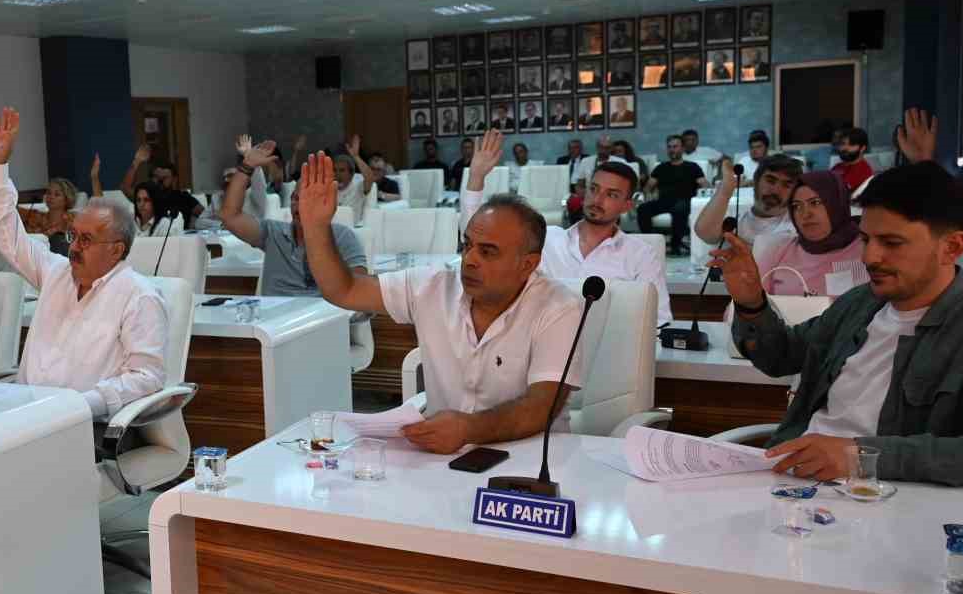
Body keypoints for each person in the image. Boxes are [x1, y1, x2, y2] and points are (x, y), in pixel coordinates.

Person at [713, 162, 963, 486]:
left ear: (952, 247)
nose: (870, 257)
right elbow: (780, 356)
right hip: (792, 487)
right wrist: (751, 302)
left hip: (887, 504)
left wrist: (857, 455)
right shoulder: (860, 304)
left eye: (891, 243)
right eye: (866, 239)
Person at [295, 148, 588, 454]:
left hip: (532, 460)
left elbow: (541, 407)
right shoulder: (433, 285)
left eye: (488, 252)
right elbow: (345, 291)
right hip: (441, 458)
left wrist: (469, 428)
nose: (470, 260)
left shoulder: (558, 308)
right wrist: (316, 227)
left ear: (527, 264)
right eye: (467, 245)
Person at [0, 108, 168, 419]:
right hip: (25, 414)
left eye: (87, 240)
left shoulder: (138, 296)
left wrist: (81, 405)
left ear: (116, 250)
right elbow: (8, 236)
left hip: (83, 424)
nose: (74, 247)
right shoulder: (55, 273)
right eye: (74, 236)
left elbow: (147, 378)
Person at [466, 131, 672, 327]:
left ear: (627, 205)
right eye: (594, 189)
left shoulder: (641, 255)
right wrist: (476, 178)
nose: (597, 199)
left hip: (608, 353)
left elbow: (659, 321)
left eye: (611, 195)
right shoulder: (547, 239)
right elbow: (482, 235)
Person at [218, 137, 368, 296]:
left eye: (307, 199)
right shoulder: (274, 233)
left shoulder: (342, 237)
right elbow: (229, 216)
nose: (299, 205)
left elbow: (358, 292)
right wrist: (247, 166)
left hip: (320, 316)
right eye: (295, 199)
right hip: (274, 317)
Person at [750, 170, 866, 296]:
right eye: (797, 206)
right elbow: (747, 303)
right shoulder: (778, 251)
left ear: (836, 203)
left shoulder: (867, 249)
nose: (806, 214)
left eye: (815, 203)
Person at [693, 154, 801, 248]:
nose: (776, 190)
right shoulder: (734, 214)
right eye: (770, 180)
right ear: (756, 181)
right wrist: (725, 191)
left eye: (786, 185)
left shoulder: (799, 225)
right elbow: (705, 234)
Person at [639, 135, 707, 255]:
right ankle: (650, 244)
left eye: (675, 146)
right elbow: (648, 187)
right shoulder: (661, 168)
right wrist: (649, 193)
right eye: (669, 147)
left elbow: (705, 185)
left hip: (685, 201)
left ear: (682, 148)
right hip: (664, 201)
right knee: (642, 209)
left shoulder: (692, 167)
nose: (672, 150)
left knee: (679, 209)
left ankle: (675, 245)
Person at [118, 144, 202, 228]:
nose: (160, 181)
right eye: (156, 177)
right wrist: (137, 161)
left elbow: (205, 216)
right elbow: (125, 187)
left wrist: (195, 224)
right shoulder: (147, 197)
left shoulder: (183, 198)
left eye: (165, 178)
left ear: (174, 179)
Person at [831, 126, 874, 193]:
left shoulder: (864, 171)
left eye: (852, 144)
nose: (845, 148)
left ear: (862, 148)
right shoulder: (837, 167)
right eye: (842, 144)